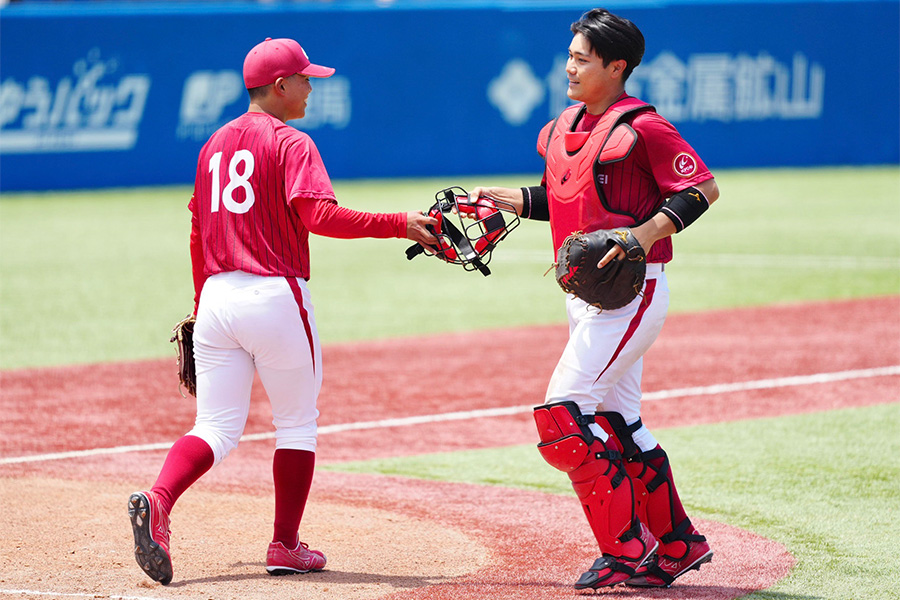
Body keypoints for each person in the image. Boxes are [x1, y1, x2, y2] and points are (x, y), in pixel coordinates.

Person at [127, 37, 437, 585]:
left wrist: (202, 306)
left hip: (218, 298)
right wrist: (398, 222)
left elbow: (199, 230)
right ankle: (285, 544)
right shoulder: (291, 142)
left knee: (216, 428)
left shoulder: (213, 146)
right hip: (275, 295)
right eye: (305, 79)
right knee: (296, 422)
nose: (312, 88)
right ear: (279, 86)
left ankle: (159, 499)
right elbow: (319, 215)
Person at [469, 8, 720, 590]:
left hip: (633, 294)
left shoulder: (646, 127)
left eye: (583, 58)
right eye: (570, 56)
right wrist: (513, 200)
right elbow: (568, 199)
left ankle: (625, 550)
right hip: (586, 295)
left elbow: (702, 187)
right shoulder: (566, 126)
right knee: (619, 419)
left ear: (617, 66)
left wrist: (643, 234)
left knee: (564, 412)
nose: (570, 67)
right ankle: (679, 543)